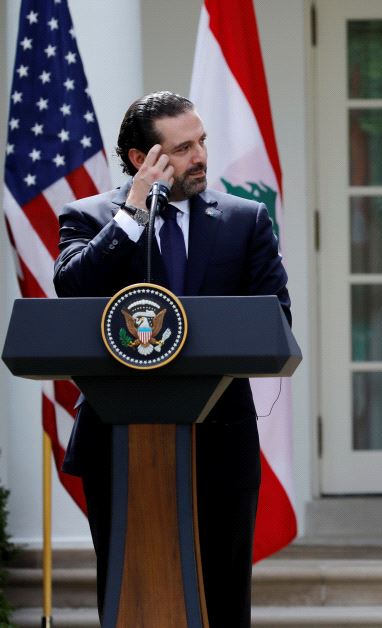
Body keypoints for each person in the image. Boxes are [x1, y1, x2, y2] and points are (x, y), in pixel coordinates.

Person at [54, 91, 290, 627]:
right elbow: (72, 289)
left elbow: (276, 319)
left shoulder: (244, 220)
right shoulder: (89, 217)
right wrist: (134, 212)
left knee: (222, 596)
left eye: (201, 141)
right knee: (129, 591)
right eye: (183, 148)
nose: (200, 156)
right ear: (142, 159)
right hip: (118, 439)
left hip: (221, 438)